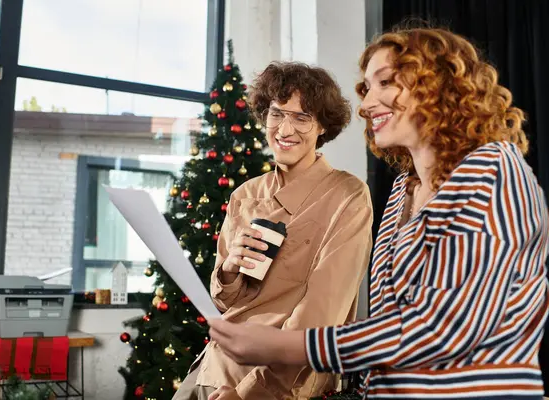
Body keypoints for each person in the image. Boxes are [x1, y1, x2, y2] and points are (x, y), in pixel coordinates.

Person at [208, 26, 549, 399]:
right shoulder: (404, 189)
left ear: (438, 85)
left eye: (385, 82)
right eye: (367, 88)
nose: (367, 104)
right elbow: (390, 321)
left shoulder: (494, 169)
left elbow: (446, 328)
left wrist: (283, 348)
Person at [173, 62, 374, 400]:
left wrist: (254, 393)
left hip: (275, 385)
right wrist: (229, 269)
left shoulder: (347, 195)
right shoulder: (245, 194)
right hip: (212, 366)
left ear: (323, 126)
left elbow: (320, 318)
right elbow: (225, 302)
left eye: (302, 117)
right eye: (277, 114)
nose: (285, 129)